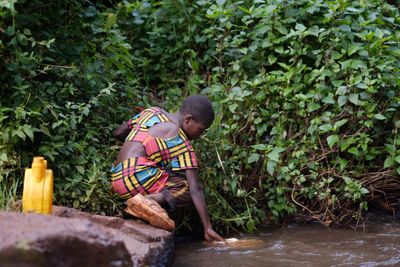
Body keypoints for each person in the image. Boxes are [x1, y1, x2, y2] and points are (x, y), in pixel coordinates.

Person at [111, 95, 224, 242]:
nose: (200, 136)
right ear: (188, 120)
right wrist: (208, 227)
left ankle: (136, 202)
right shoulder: (180, 141)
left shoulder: (151, 112)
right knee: (185, 186)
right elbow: (195, 189)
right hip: (133, 182)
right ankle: (147, 201)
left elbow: (118, 132)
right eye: (200, 130)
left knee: (167, 172)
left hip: (116, 179)